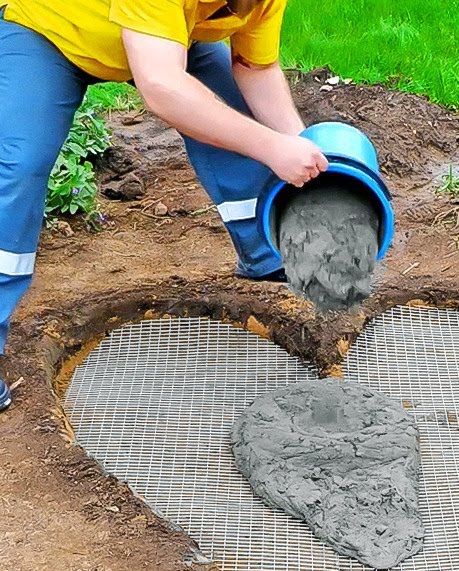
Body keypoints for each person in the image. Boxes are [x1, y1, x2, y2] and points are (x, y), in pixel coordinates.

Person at [0, 0, 329, 411]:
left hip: (164, 36)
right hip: (51, 31)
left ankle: (266, 251)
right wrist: (273, 148)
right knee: (17, 166)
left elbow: (256, 67)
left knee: (235, 116)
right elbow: (161, 86)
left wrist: (304, 147)